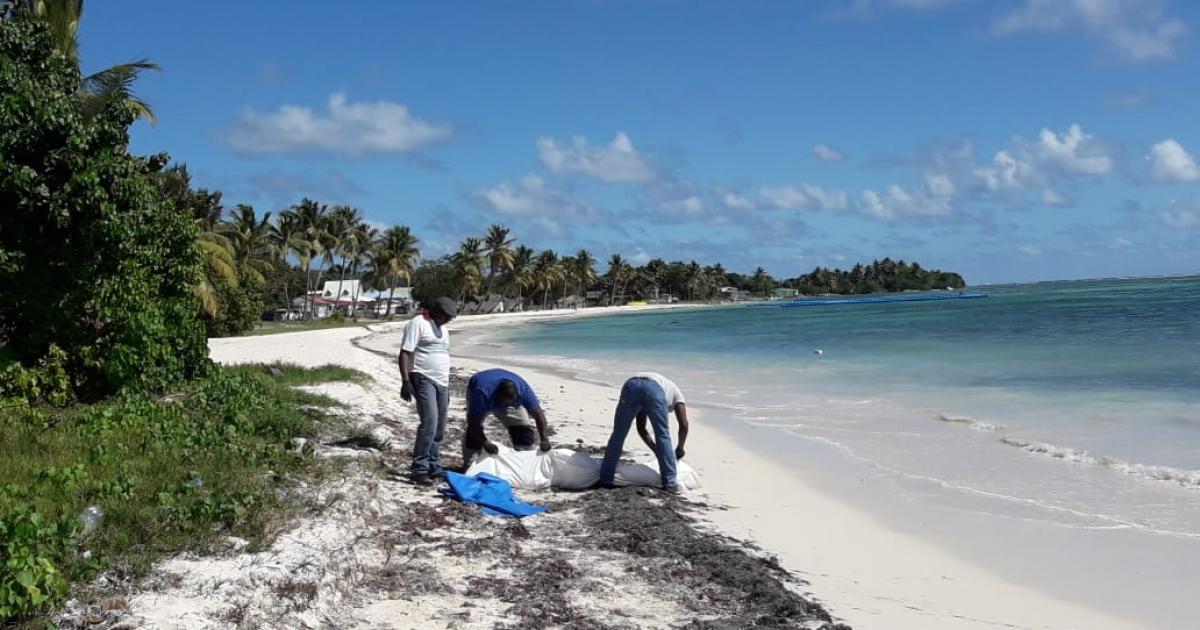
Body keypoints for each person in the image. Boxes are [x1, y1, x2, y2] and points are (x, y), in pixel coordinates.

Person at [399, 297, 457, 486]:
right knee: (429, 423)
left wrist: (447, 383)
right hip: (423, 378)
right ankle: (419, 468)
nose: (448, 321)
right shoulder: (418, 323)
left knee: (439, 427)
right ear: (437, 312)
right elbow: (406, 352)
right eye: (446, 317)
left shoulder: (443, 329)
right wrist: (405, 381)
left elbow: (442, 354)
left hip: (442, 382)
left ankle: (434, 465)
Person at [598, 372, 690, 493]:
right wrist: (680, 448)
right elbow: (683, 424)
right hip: (654, 389)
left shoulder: (666, 386)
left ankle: (605, 478)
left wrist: (656, 450)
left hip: (631, 385)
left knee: (618, 433)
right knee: (662, 434)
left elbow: (641, 428)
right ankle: (670, 482)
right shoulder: (678, 396)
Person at [462, 368, 553, 466]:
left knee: (523, 431)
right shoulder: (481, 393)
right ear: (497, 395)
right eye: (503, 403)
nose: (505, 407)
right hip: (482, 390)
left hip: (507, 395)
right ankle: (470, 462)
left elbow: (538, 415)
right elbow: (473, 423)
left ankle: (524, 462)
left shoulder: (524, 391)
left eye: (510, 403)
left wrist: (544, 439)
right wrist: (485, 443)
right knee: (474, 431)